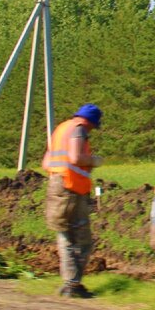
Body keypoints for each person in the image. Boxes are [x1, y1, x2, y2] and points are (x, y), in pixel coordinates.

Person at [42, 103, 104, 298]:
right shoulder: (79, 130)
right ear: (89, 121)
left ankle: (69, 283)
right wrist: (94, 160)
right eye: (93, 126)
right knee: (81, 238)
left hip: (56, 185)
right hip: (71, 188)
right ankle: (73, 285)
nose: (92, 130)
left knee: (64, 233)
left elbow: (46, 163)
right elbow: (76, 157)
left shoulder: (60, 129)